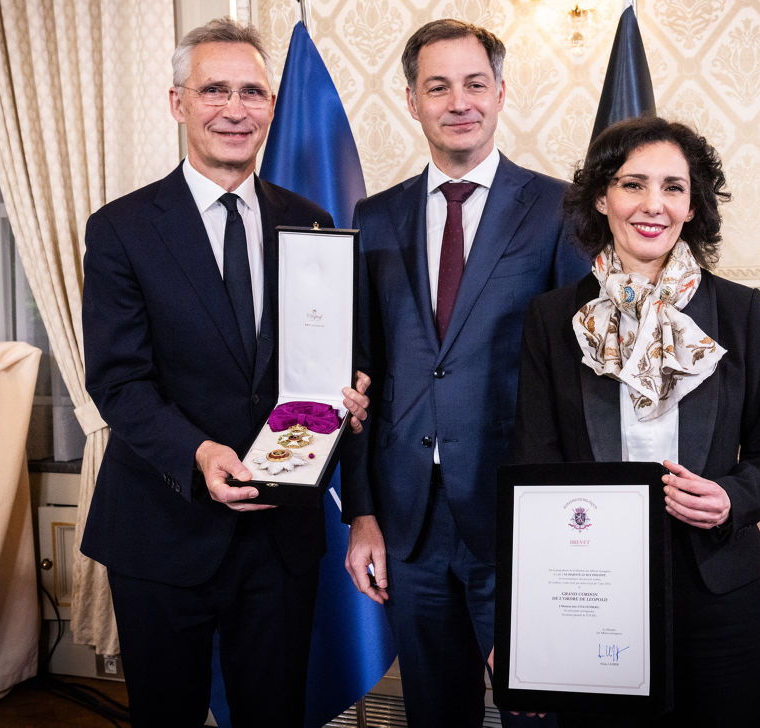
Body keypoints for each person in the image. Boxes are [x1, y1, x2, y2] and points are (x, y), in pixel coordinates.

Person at [80, 18, 366, 727]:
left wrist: (350, 393)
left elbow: (323, 360)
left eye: (252, 93)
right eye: (214, 91)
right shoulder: (121, 229)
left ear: (270, 106)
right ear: (177, 103)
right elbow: (117, 381)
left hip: (279, 537)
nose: (235, 110)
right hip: (161, 527)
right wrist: (201, 453)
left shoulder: (313, 222)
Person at [510, 116, 760, 726]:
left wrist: (730, 497)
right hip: (592, 594)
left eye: (673, 187)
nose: (653, 204)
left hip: (720, 594)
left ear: (692, 206)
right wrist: (528, 629)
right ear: (601, 197)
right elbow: (535, 471)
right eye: (633, 184)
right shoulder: (552, 319)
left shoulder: (741, 311)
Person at [340, 17, 586, 728]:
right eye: (438, 86)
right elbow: (360, 376)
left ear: (501, 93)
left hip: (517, 518)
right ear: (412, 100)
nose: (459, 102)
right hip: (409, 521)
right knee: (434, 712)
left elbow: (580, 378)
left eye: (475, 84)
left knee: (537, 713)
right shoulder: (374, 216)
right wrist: (362, 513)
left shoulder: (559, 209)